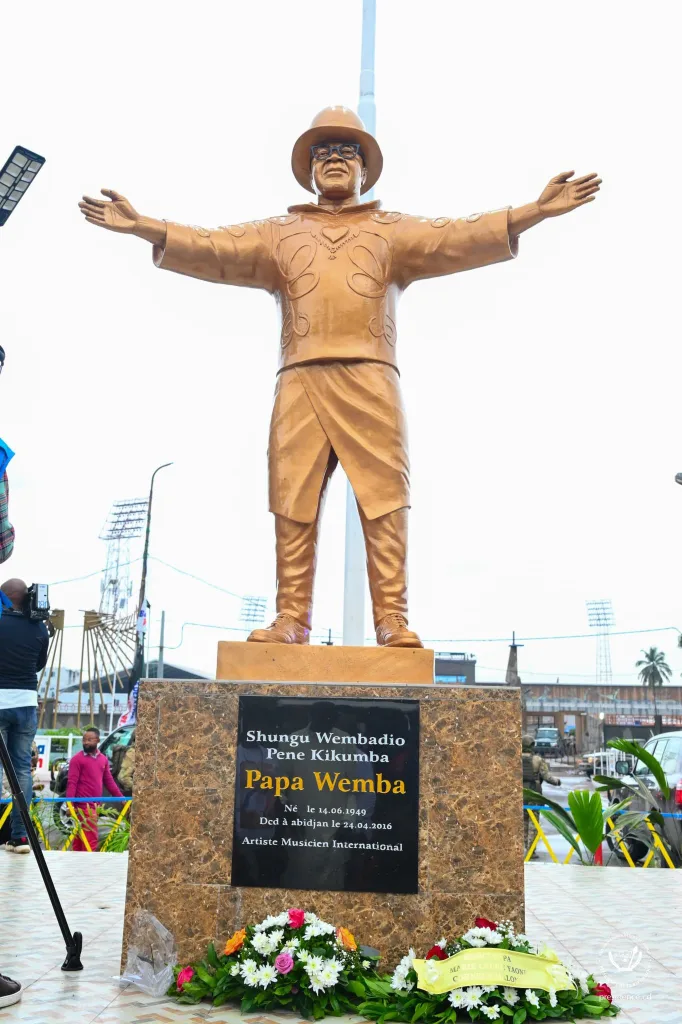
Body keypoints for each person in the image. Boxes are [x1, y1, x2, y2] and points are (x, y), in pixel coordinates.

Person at [79, 107, 600, 648]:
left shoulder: (390, 231)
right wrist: (145, 227)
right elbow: (216, 247)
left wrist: (534, 211)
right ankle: (291, 619)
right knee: (290, 499)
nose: (333, 160)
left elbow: (458, 236)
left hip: (371, 377)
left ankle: (392, 619)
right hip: (299, 378)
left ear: (364, 170)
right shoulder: (280, 234)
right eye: (322, 153)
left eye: (345, 153)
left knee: (386, 499)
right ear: (307, 171)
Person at [0, 578, 49, 853]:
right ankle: (19, 837)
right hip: (26, 704)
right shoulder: (39, 627)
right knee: (21, 770)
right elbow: (39, 664)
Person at [66, 727, 123, 851]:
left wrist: (121, 798)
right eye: (84, 740)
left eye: (89, 739)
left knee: (81, 838)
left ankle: (77, 864)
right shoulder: (77, 759)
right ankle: (88, 865)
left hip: (95, 805)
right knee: (89, 840)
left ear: (97, 740)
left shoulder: (103, 759)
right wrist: (69, 804)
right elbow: (72, 783)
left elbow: (109, 781)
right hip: (83, 806)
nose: (86, 742)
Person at [522, 733, 561, 857]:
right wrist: (557, 781)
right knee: (534, 824)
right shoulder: (537, 760)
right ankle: (531, 850)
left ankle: (524, 848)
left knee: (523, 822)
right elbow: (547, 777)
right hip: (534, 795)